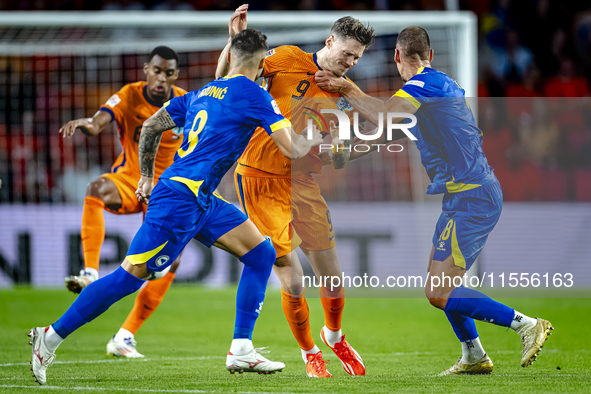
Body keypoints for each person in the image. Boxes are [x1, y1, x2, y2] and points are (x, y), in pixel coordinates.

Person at [29, 29, 323, 385]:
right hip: (181, 200)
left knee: (261, 254)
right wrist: (315, 138)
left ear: (230, 57)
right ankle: (49, 337)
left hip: (197, 197)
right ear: (263, 63)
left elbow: (152, 125)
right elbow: (292, 148)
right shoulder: (256, 94)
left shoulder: (202, 92)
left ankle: (242, 347)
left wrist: (147, 177)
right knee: (128, 278)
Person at [315, 26, 554, 375]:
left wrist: (348, 88)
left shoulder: (427, 85)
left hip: (473, 197)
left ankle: (526, 324)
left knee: (438, 291)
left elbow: (383, 115)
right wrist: (336, 154)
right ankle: (473, 355)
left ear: (397, 57)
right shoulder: (429, 92)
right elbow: (383, 133)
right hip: (463, 198)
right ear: (430, 54)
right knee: (442, 285)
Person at [215, 5, 373, 378]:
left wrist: (342, 145)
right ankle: (309, 352)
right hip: (259, 177)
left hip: (303, 181)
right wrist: (234, 40)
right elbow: (226, 78)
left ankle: (334, 336)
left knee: (332, 276)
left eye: (357, 57)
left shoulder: (344, 90)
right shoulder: (285, 57)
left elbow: (346, 151)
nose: (350, 62)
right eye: (346, 53)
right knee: (293, 275)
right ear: (329, 41)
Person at [59, 46, 187, 358]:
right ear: (146, 69)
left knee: (170, 262)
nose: (161, 78)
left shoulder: (186, 100)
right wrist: (86, 124)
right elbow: (98, 122)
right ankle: (90, 271)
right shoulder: (129, 95)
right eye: (157, 70)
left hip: (168, 190)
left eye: (168, 73)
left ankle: (125, 336)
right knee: (97, 188)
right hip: (131, 179)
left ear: (175, 75)